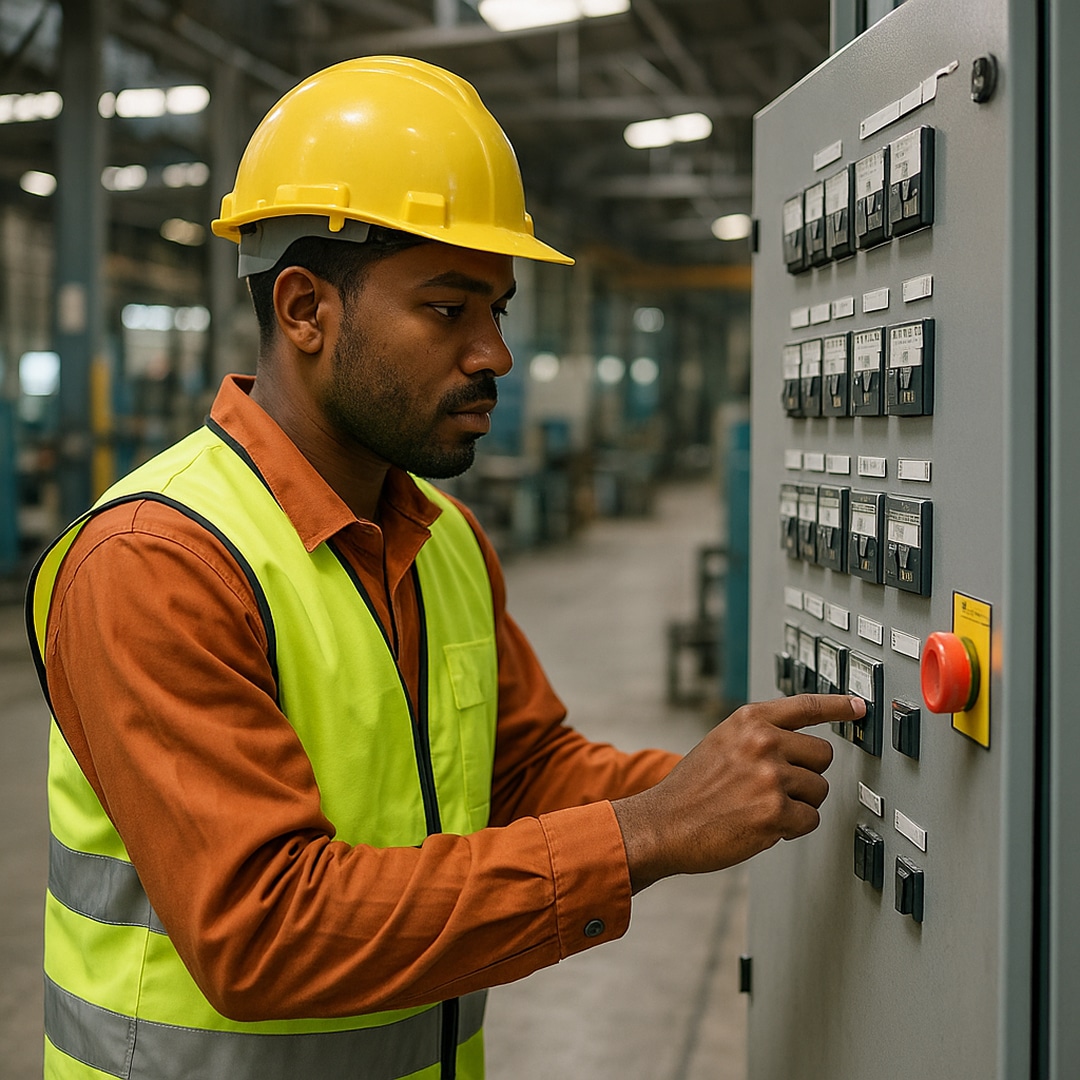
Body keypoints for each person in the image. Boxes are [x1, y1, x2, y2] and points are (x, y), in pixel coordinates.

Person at [27, 56, 864, 1080]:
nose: (496, 354)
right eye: (449, 308)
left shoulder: (441, 538)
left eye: (498, 309)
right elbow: (263, 932)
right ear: (304, 309)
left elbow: (522, 771)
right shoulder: (159, 561)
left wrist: (716, 786)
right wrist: (650, 831)